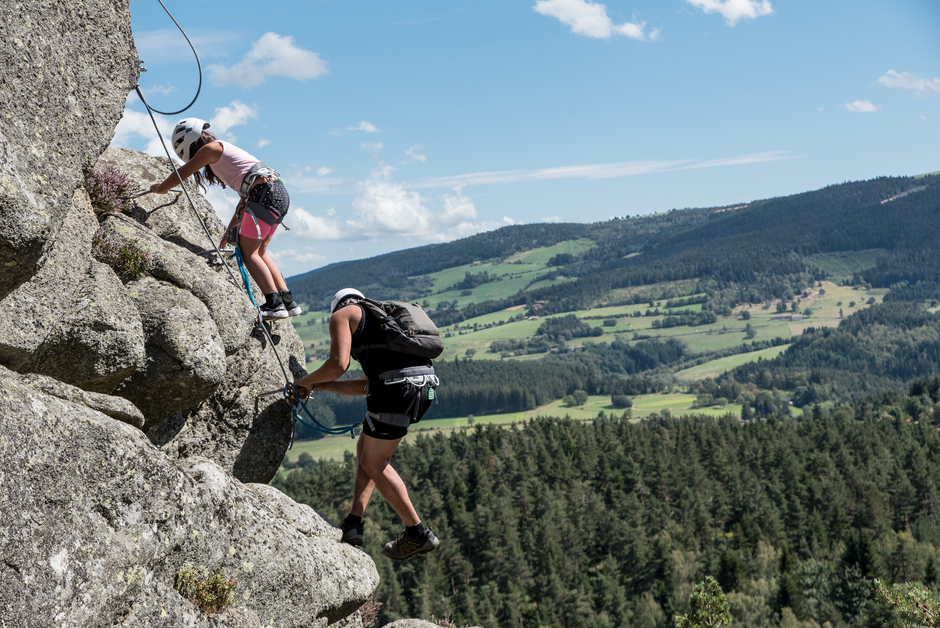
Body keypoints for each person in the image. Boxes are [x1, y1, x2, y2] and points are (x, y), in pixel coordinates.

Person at [294, 288, 440, 560]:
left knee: (375, 463)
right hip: (423, 386)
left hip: (396, 389)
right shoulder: (380, 324)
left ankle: (417, 533)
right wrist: (321, 386)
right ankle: (354, 522)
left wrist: (306, 380)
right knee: (366, 448)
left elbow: (338, 363)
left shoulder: (342, 315)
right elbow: (365, 385)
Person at [149, 117, 301, 320]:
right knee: (261, 252)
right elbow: (243, 203)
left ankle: (274, 304)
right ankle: (288, 301)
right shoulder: (226, 155)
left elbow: (183, 172)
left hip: (263, 195)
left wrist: (161, 188)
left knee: (249, 253)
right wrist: (228, 232)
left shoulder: (212, 149)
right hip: (276, 193)